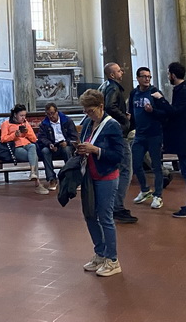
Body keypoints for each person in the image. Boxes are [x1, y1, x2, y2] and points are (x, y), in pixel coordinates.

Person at [76, 89, 124, 277]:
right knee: (89, 215)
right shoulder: (88, 122)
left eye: (90, 110)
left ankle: (112, 260)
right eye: (85, 110)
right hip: (89, 175)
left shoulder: (112, 126)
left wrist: (96, 150)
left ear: (101, 107)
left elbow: (118, 156)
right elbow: (85, 141)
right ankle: (100, 253)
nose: (87, 114)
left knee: (105, 217)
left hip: (106, 176)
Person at [150, 62, 186, 217]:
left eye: (168, 74)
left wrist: (160, 100)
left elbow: (174, 112)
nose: (168, 77)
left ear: (172, 75)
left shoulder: (184, 92)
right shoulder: (181, 90)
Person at [100, 62, 136, 223]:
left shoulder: (105, 86)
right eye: (118, 71)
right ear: (112, 75)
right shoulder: (113, 88)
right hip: (118, 133)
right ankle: (118, 207)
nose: (122, 72)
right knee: (125, 170)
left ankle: (111, 205)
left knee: (115, 170)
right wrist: (124, 118)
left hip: (110, 133)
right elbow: (110, 106)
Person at [129, 67, 164, 209]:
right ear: (138, 78)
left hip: (154, 135)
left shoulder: (155, 93)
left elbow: (164, 112)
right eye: (144, 76)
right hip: (140, 135)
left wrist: (153, 111)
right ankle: (145, 190)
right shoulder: (134, 93)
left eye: (149, 76)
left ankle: (158, 195)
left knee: (156, 166)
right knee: (136, 164)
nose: (147, 79)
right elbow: (131, 110)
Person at [0, 104, 48, 194]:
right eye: (21, 115)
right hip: (16, 148)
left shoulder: (25, 123)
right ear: (15, 115)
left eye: (24, 115)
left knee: (32, 147)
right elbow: (3, 139)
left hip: (28, 146)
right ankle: (37, 183)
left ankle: (33, 173)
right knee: (34, 157)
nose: (23, 117)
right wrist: (14, 135)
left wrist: (27, 132)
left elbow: (34, 139)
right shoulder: (6, 124)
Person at [35, 101, 79, 191]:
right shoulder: (44, 124)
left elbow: (74, 136)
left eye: (52, 113)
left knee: (67, 150)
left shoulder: (67, 121)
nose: (51, 116)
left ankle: (71, 177)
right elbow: (41, 137)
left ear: (57, 112)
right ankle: (52, 179)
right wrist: (49, 144)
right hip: (52, 146)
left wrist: (67, 142)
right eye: (48, 114)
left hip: (65, 145)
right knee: (44, 151)